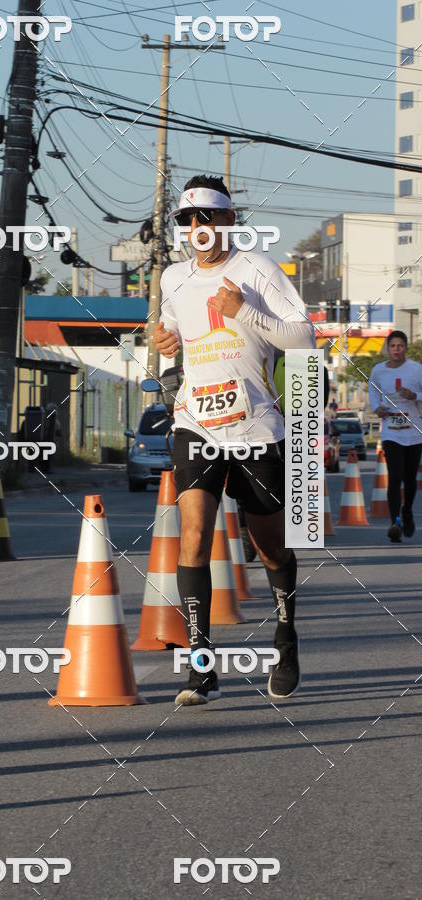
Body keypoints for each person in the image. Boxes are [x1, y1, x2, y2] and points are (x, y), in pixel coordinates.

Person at [154, 174, 315, 705]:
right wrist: (164, 345)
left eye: (207, 218)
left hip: (256, 424)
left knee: (269, 546)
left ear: (228, 222)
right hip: (196, 420)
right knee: (194, 534)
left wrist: (242, 310)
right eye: (186, 219)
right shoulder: (172, 278)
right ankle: (201, 668)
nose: (196, 228)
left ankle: (285, 637)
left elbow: (303, 337)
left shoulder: (256, 269)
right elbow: (168, 350)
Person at [368, 330, 422, 543]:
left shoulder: (417, 370)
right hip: (391, 431)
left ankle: (407, 510)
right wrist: (376, 407)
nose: (396, 349)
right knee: (395, 477)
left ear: (406, 348)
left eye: (400, 346)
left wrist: (415, 396)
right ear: (387, 348)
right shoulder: (378, 371)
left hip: (415, 432)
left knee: (410, 480)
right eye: (393, 346)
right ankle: (394, 522)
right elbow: (372, 390)